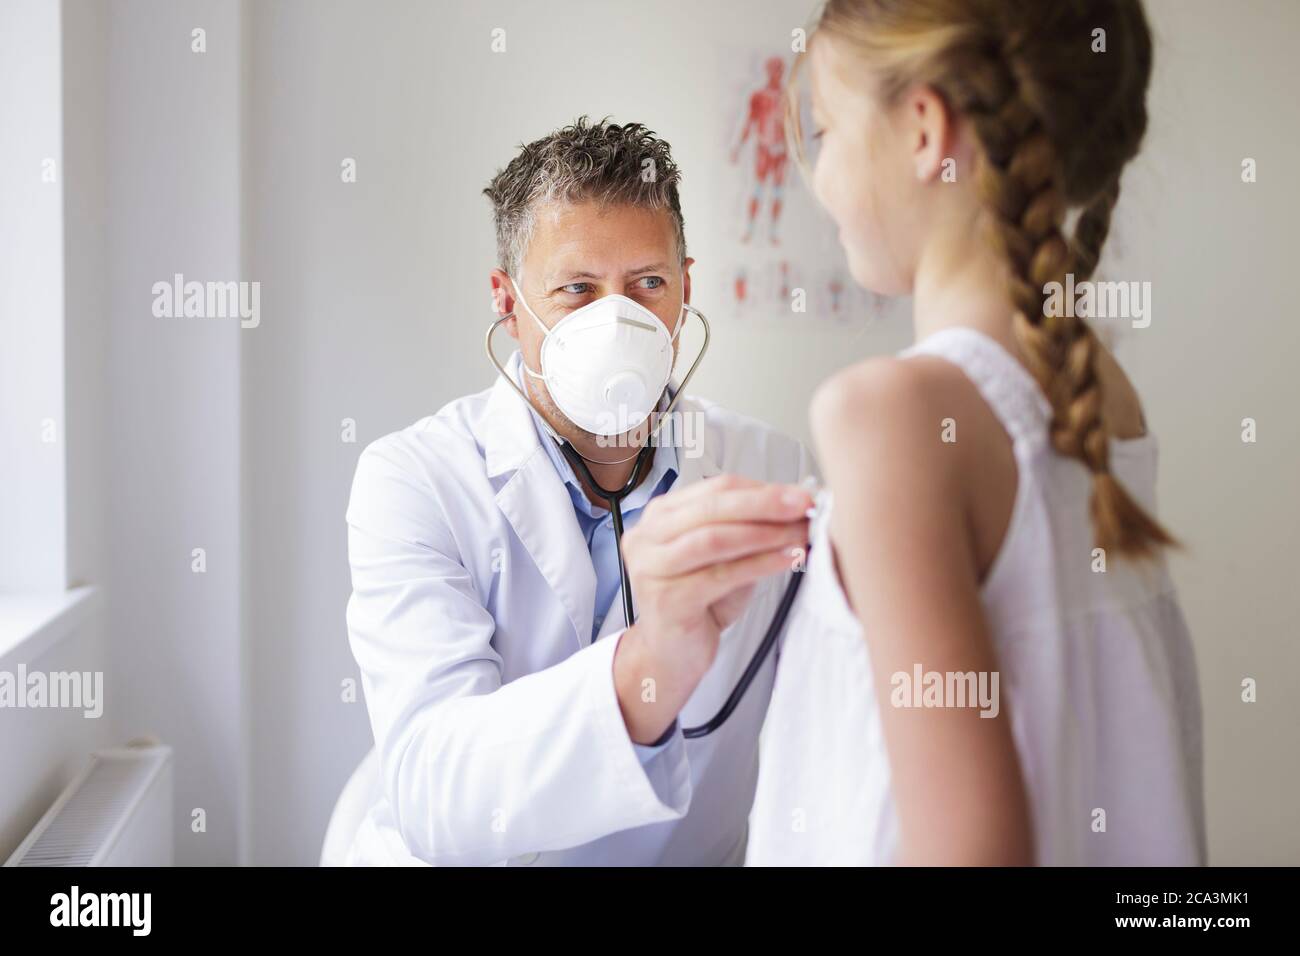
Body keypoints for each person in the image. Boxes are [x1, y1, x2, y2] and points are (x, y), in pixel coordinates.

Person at [746, 0, 1205, 865]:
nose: (823, 174)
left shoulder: (888, 416)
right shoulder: (1105, 397)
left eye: (830, 129)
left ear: (923, 130)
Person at [328, 117, 815, 866]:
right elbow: (437, 790)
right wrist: (648, 665)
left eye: (647, 284)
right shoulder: (415, 481)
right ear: (507, 300)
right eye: (576, 289)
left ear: (687, 288)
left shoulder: (770, 468)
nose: (615, 322)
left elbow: (813, 736)